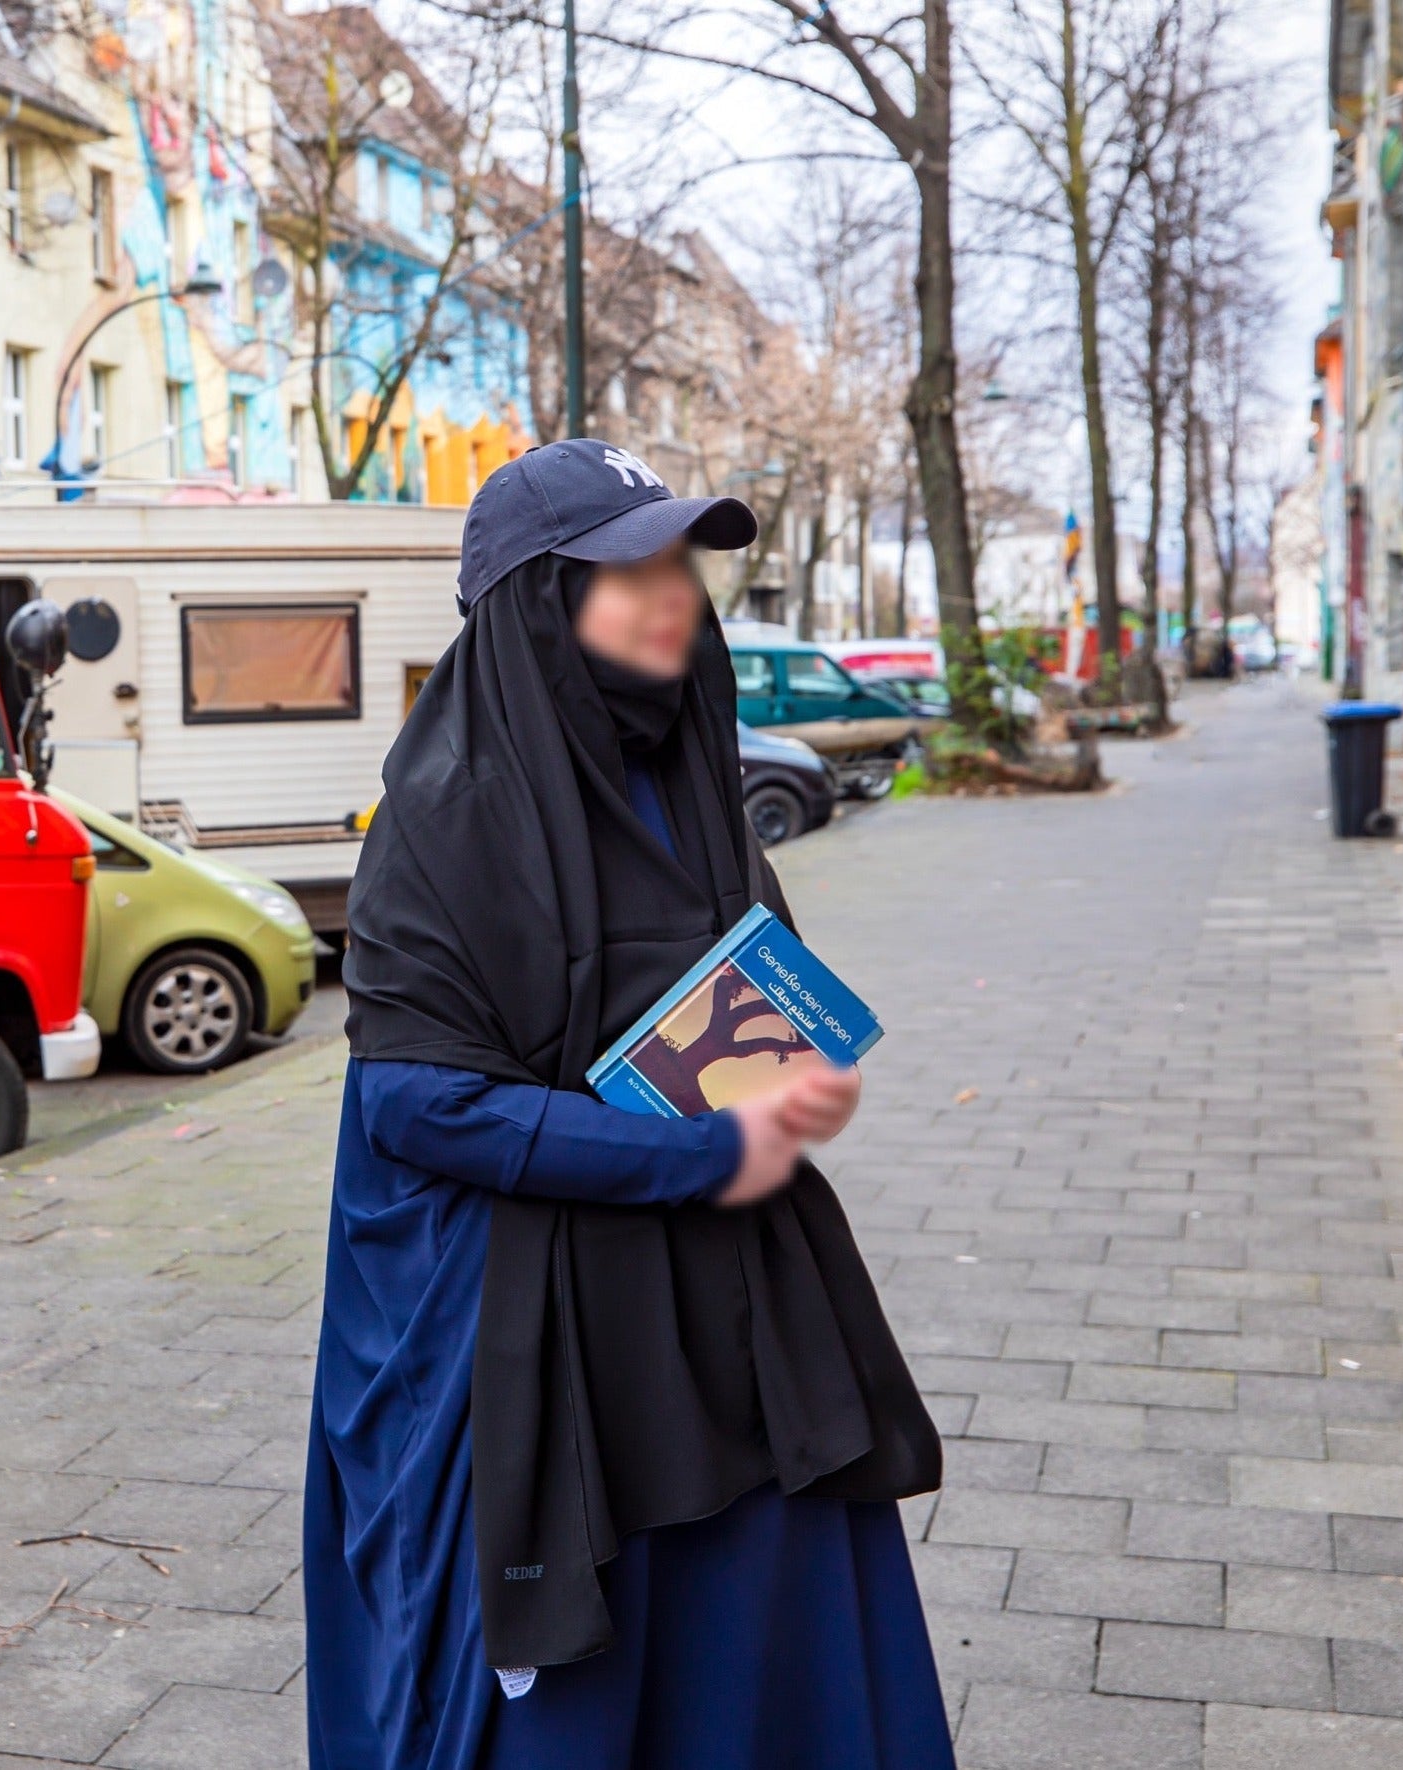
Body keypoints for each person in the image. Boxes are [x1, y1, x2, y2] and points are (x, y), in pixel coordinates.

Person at [305, 440, 952, 1770]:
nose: (673, 591)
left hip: (725, 1313)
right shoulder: (441, 813)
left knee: (762, 1661)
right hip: (534, 1334)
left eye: (679, 561)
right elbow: (417, 1104)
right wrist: (699, 1149)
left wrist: (781, 1074)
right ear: (544, 600)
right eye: (631, 566)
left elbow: (735, 986)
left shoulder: (691, 777)